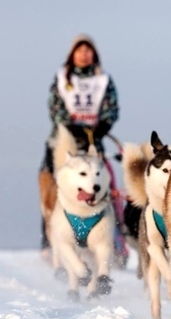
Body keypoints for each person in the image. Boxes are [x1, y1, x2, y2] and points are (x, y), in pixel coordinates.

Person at [39, 34, 128, 267]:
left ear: (94, 54)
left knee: (102, 187)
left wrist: (103, 126)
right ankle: (50, 242)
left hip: (92, 142)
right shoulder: (62, 78)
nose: (84, 54)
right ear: (72, 53)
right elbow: (55, 106)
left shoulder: (103, 80)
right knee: (52, 188)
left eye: (88, 50)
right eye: (80, 50)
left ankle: (113, 244)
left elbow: (112, 108)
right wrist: (70, 126)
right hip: (62, 141)